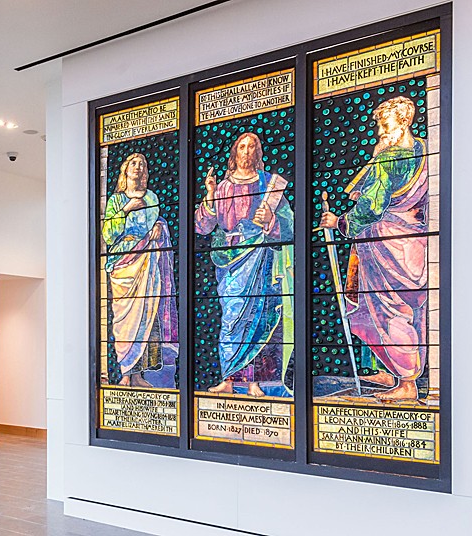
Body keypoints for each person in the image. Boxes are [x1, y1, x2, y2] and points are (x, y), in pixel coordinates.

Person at [318, 96, 429, 401]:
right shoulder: (426, 150)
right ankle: (391, 371)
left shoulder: (388, 158)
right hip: (416, 243)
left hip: (386, 245)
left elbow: (370, 206)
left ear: (403, 120)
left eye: (385, 122)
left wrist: (338, 222)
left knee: (388, 309)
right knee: (403, 310)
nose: (380, 130)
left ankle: (407, 383)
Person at [195, 132, 294, 397]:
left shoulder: (269, 184)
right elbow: (202, 227)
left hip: (261, 258)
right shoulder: (224, 186)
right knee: (232, 317)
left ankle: (255, 382)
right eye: (242, 147)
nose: (247, 152)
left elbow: (289, 224)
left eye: (252, 147)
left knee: (259, 318)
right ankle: (229, 378)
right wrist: (210, 196)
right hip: (230, 260)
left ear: (258, 153)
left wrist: (272, 219)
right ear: (235, 153)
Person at [101, 153, 178, 387]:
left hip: (149, 263)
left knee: (149, 317)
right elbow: (108, 234)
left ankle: (139, 375)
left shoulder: (152, 197)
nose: (137, 167)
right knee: (126, 321)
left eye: (142, 164)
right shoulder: (115, 200)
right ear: (125, 170)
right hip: (125, 265)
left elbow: (157, 222)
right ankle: (126, 373)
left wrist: (159, 226)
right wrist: (126, 209)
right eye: (133, 163)